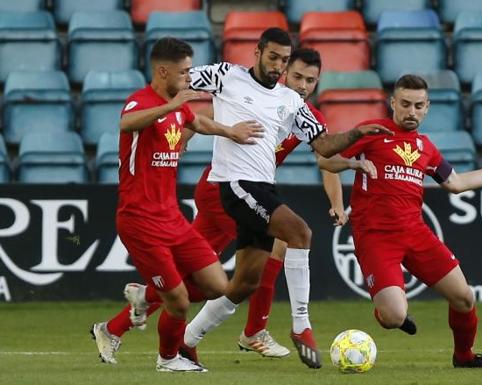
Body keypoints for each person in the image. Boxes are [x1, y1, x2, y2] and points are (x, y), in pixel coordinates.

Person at [91, 47, 375, 366]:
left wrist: (344, 182)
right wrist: (181, 133)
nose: (302, 85)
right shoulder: (253, 92)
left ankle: (115, 327)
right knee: (281, 243)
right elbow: (212, 109)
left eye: (310, 80)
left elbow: (325, 158)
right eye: (296, 76)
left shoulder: (301, 114)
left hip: (227, 190)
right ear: (283, 72)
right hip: (224, 187)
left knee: (194, 278)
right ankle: (255, 331)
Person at [182, 27, 391, 369]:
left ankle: (186, 341)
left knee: (244, 282)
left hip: (264, 186)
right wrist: (182, 124)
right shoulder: (227, 75)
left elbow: (323, 147)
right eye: (274, 57)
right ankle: (301, 326)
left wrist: (356, 134)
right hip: (234, 183)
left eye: (283, 60)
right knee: (299, 233)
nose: (278, 66)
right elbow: (180, 81)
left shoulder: (290, 102)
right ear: (259, 52)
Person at [90, 37, 262, 372]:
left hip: (172, 217)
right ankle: (169, 359)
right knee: (179, 301)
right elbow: (126, 123)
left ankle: (144, 296)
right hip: (139, 219)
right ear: (163, 70)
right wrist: (172, 106)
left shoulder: (178, 106)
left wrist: (231, 132)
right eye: (183, 72)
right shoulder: (140, 101)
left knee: (217, 286)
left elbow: (197, 122)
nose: (189, 78)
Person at [340, 74, 482, 369]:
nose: (411, 111)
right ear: (393, 103)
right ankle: (390, 312)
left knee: (464, 297)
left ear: (427, 107)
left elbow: (455, 182)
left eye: (418, 105)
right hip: (376, 237)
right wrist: (339, 198)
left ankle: (464, 356)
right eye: (405, 104)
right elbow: (329, 159)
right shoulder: (371, 133)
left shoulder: (426, 147)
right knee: (393, 318)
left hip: (416, 234)